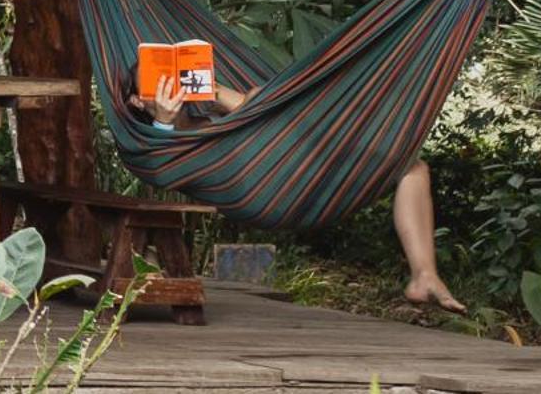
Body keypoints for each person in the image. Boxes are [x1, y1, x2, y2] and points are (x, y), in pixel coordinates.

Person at [127, 72, 465, 313]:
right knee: (262, 98)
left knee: (413, 168)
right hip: (260, 190)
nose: (168, 86)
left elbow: (263, 101)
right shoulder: (163, 143)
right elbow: (161, 166)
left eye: (172, 75)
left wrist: (209, 89)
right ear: (136, 100)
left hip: (305, 171)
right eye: (157, 78)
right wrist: (164, 122)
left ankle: (425, 275)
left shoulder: (211, 116)